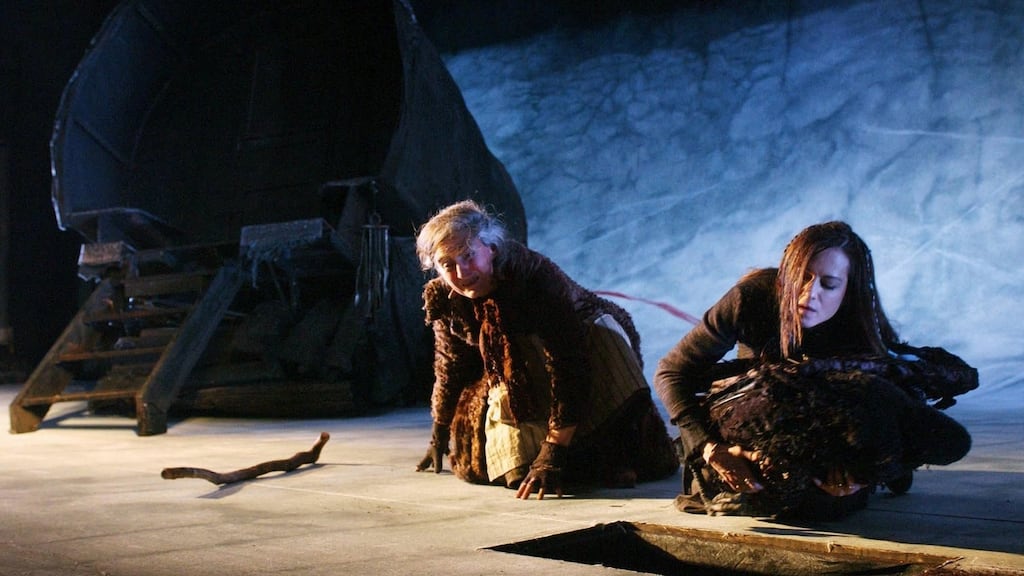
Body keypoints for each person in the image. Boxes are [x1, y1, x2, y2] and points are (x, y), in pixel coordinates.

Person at [654, 221, 976, 519]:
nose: (809, 294)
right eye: (802, 278)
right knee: (763, 482)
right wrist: (707, 446)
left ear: (849, 290)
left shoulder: (858, 327)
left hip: (823, 424)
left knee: (834, 487)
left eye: (829, 284)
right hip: (761, 417)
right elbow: (672, 371)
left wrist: (865, 476)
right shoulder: (749, 299)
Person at [414, 200, 678, 499]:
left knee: (606, 336)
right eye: (447, 264)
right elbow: (450, 364)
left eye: (468, 256)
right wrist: (439, 434)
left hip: (585, 359)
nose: (461, 272)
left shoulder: (532, 276)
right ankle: (577, 460)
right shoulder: (444, 297)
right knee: (514, 473)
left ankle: (608, 451)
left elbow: (568, 362)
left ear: (492, 248)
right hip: (513, 377)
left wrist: (553, 449)